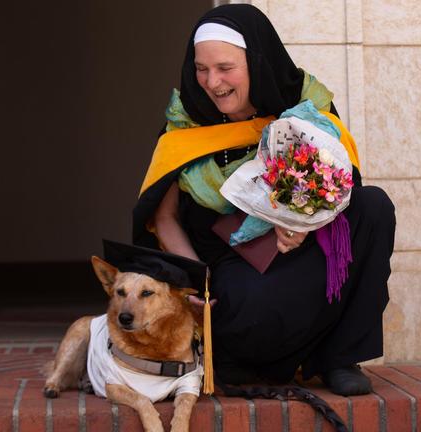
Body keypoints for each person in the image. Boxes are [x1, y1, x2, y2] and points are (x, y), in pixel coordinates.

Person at [133, 4, 395, 396]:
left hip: (302, 253)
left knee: (373, 206)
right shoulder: (185, 123)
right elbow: (165, 217)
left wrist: (304, 221)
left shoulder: (304, 109)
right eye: (201, 69)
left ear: (256, 61)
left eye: (225, 68)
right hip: (230, 271)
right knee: (250, 305)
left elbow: (340, 185)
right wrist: (196, 282)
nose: (211, 81)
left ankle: (338, 357)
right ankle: (241, 359)